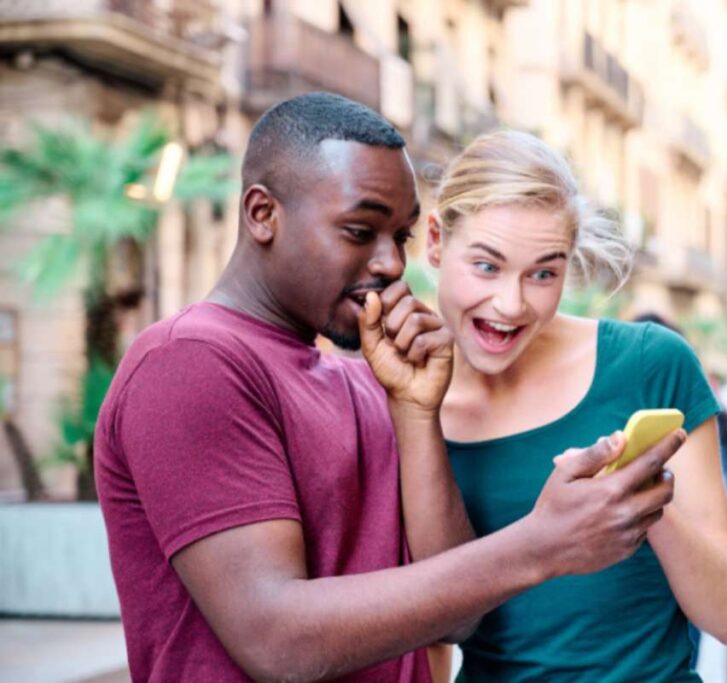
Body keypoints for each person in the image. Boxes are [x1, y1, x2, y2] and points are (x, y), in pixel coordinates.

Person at [94, 93, 681, 682]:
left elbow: (456, 617)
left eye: (398, 238)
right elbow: (278, 642)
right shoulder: (191, 362)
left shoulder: (365, 378)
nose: (390, 265)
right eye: (358, 230)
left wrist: (416, 410)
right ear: (262, 214)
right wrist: (542, 542)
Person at [426, 131, 727, 681]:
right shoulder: (410, 402)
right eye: (486, 266)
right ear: (435, 241)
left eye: (543, 274)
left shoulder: (651, 363)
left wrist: (639, 501)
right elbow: (429, 631)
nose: (511, 304)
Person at [631, 315, 727, 667]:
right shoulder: (690, 413)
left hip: (679, 588)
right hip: (680, 589)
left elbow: (726, 516)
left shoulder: (690, 414)